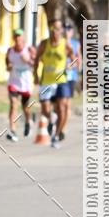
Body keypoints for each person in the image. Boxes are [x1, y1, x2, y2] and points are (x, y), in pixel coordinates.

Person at [34, 18, 74, 150]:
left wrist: (71, 66)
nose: (55, 31)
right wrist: (35, 74)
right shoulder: (44, 44)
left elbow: (75, 59)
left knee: (62, 108)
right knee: (45, 109)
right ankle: (52, 120)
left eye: (57, 28)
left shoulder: (66, 44)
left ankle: (56, 136)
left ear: (61, 30)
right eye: (52, 28)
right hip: (47, 81)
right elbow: (36, 59)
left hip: (61, 81)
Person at [5, 28, 35, 141]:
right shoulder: (10, 51)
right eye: (16, 36)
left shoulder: (30, 50)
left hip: (26, 83)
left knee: (25, 107)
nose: (18, 38)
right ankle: (13, 131)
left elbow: (36, 63)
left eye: (20, 36)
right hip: (13, 82)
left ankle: (28, 121)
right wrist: (9, 67)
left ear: (23, 38)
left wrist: (28, 60)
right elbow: (7, 66)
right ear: (14, 38)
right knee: (13, 104)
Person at [62, 23, 81, 140]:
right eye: (65, 29)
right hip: (58, 76)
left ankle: (63, 127)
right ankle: (58, 120)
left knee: (67, 103)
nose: (67, 32)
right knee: (58, 102)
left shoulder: (75, 44)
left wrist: (73, 66)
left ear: (72, 32)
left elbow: (78, 59)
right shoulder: (58, 42)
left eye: (69, 30)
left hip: (71, 76)